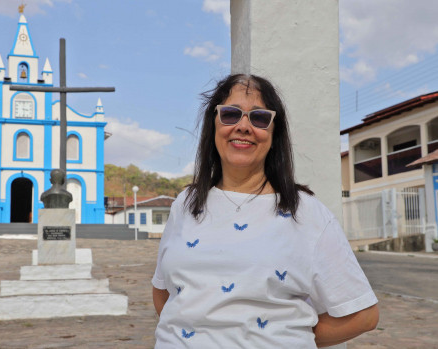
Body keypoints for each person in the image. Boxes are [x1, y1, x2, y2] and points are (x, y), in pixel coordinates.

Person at [152, 74, 379, 348]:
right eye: (230, 114)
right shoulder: (186, 204)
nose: (243, 126)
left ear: (274, 134)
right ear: (213, 126)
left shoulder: (306, 213)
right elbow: (164, 292)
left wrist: (284, 338)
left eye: (259, 118)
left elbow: (362, 315)